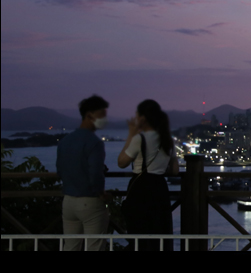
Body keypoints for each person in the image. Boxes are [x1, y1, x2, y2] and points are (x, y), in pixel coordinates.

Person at [118, 99, 178, 251]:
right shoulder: (168, 140)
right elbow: (175, 170)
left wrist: (131, 134)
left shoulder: (140, 139)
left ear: (143, 118)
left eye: (137, 116)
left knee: (139, 235)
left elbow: (122, 162)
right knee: (159, 233)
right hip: (160, 189)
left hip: (140, 190)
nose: (136, 119)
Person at [56, 94, 111, 251]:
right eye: (102, 115)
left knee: (70, 246)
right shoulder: (94, 143)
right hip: (89, 201)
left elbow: (60, 170)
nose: (104, 120)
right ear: (89, 115)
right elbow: (95, 173)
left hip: (68, 201)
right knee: (95, 246)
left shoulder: (65, 141)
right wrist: (102, 194)